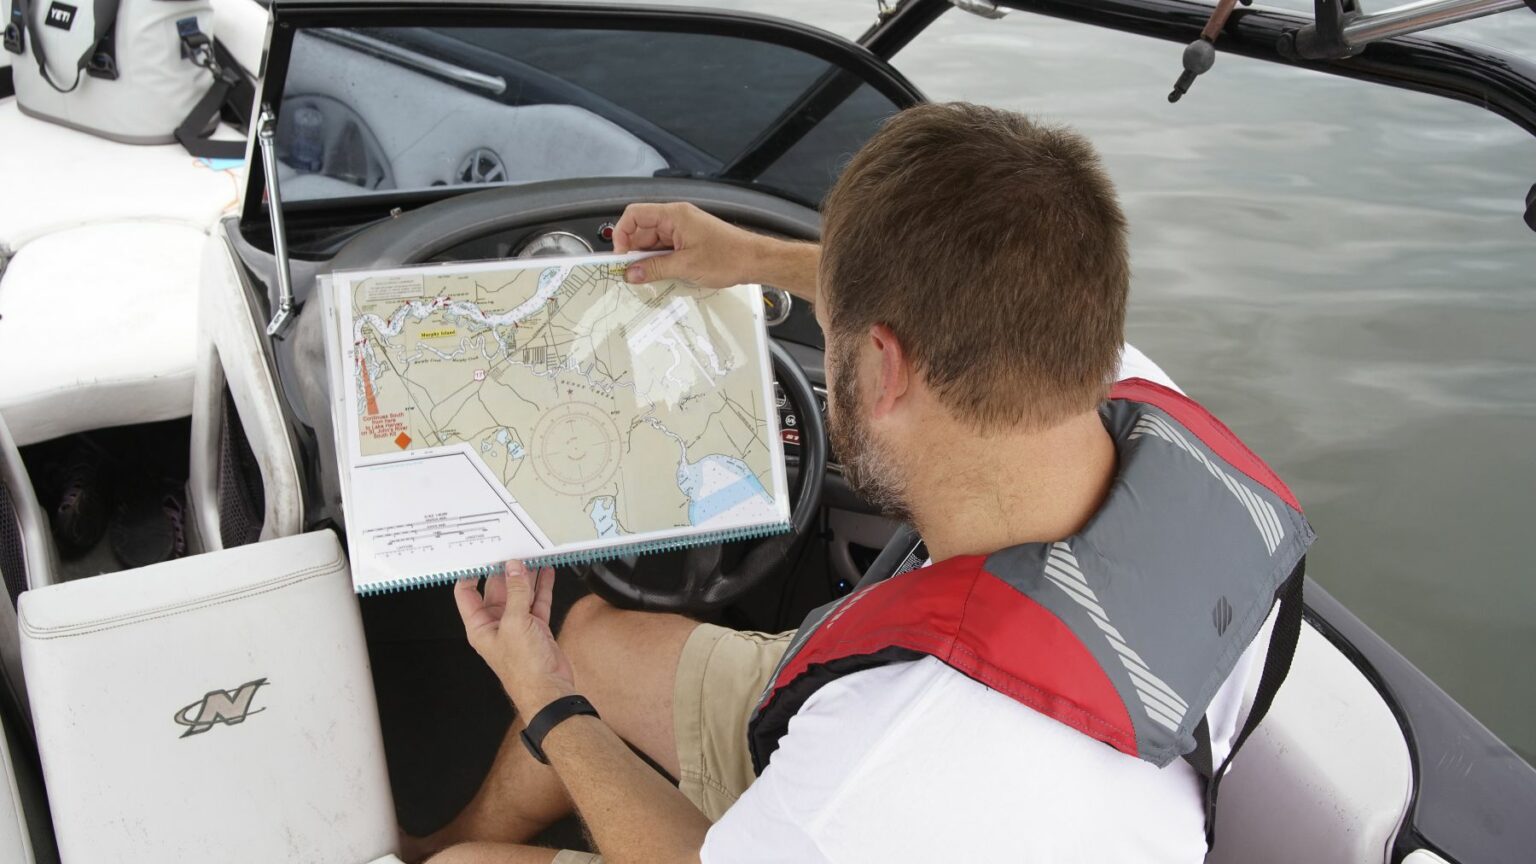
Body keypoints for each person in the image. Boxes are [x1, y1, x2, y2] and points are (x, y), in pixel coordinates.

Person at [411, 102, 1310, 864]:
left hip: (872, 813)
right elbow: (955, 292)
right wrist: (749, 258)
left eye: (832, 332)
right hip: (934, 746)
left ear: (884, 370)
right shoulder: (1108, 379)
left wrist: (546, 701)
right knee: (597, 647)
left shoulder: (884, 769)